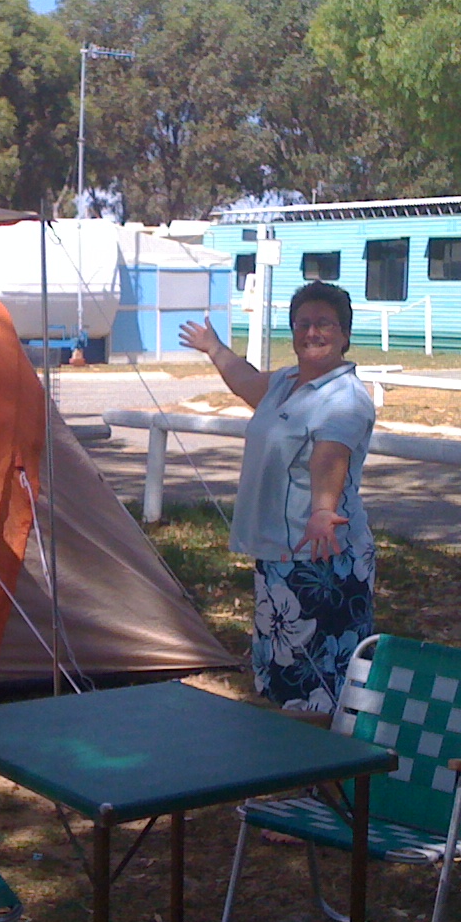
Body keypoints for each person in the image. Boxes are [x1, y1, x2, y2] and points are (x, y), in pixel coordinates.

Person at [179, 281, 375, 715]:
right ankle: (301, 771)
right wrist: (214, 348)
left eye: (324, 323)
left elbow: (330, 457)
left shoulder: (346, 398)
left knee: (321, 684)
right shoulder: (286, 382)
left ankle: (329, 773)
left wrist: (323, 510)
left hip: (323, 555)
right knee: (283, 677)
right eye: (302, 323)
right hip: (279, 552)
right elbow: (246, 380)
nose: (311, 332)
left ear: (344, 333)